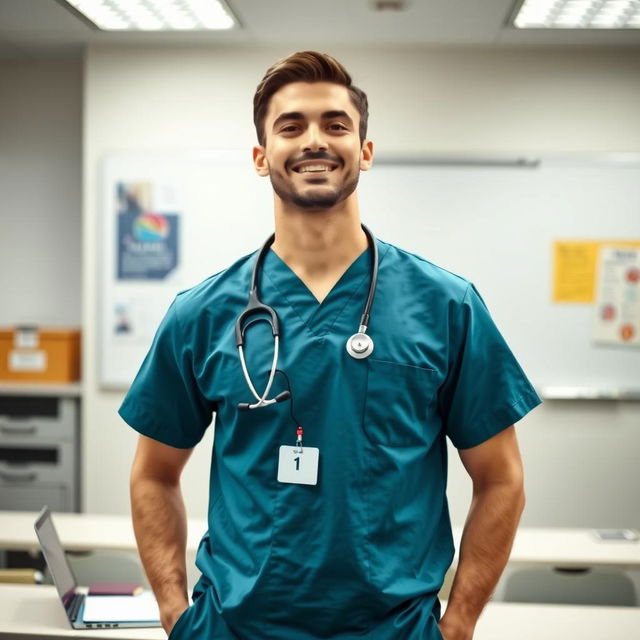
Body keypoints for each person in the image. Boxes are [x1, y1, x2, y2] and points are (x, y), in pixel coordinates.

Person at [120, 51, 541, 640]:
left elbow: (502, 480)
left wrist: (460, 622)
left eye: (336, 125)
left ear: (365, 152)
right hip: (234, 628)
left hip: (394, 631)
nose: (314, 140)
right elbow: (153, 474)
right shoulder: (202, 314)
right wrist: (174, 611)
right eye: (291, 126)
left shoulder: (447, 306)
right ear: (261, 156)